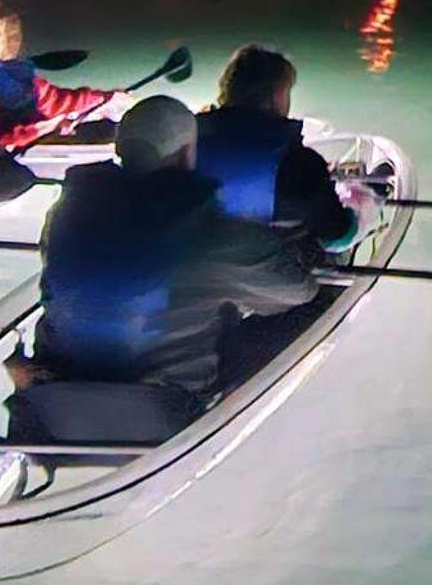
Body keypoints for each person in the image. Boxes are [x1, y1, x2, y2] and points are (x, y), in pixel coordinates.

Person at [26, 96, 320, 403]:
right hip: (168, 399)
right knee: (308, 304)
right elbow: (298, 290)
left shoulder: (64, 214)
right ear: (186, 154)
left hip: (62, 385)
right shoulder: (213, 233)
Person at [195, 44, 373, 252]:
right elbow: (337, 234)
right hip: (264, 275)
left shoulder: (187, 140)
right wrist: (360, 212)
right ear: (276, 96)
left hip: (192, 266)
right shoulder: (298, 162)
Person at [0, 7, 128, 146]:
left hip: (28, 137)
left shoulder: (12, 70)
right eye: (2, 36)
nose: (13, 41)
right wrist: (42, 129)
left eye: (15, 34)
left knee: (113, 128)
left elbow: (54, 100)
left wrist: (105, 98)